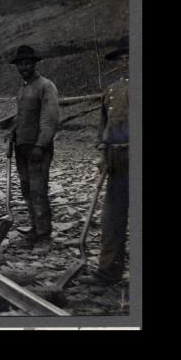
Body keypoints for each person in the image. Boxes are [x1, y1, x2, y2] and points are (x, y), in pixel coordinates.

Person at [7, 46, 60, 251]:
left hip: (38, 148)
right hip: (22, 147)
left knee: (38, 190)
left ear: (34, 64)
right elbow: (23, 117)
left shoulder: (45, 86)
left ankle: (44, 235)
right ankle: (35, 228)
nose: (24, 67)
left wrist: (40, 145)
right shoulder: (23, 88)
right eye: (21, 64)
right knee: (27, 190)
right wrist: (13, 132)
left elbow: (50, 119)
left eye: (28, 63)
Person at [94, 42, 129, 283]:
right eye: (122, 58)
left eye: (131, 56)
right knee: (112, 217)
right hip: (115, 158)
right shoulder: (111, 89)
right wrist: (102, 151)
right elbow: (102, 124)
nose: (126, 61)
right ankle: (108, 271)